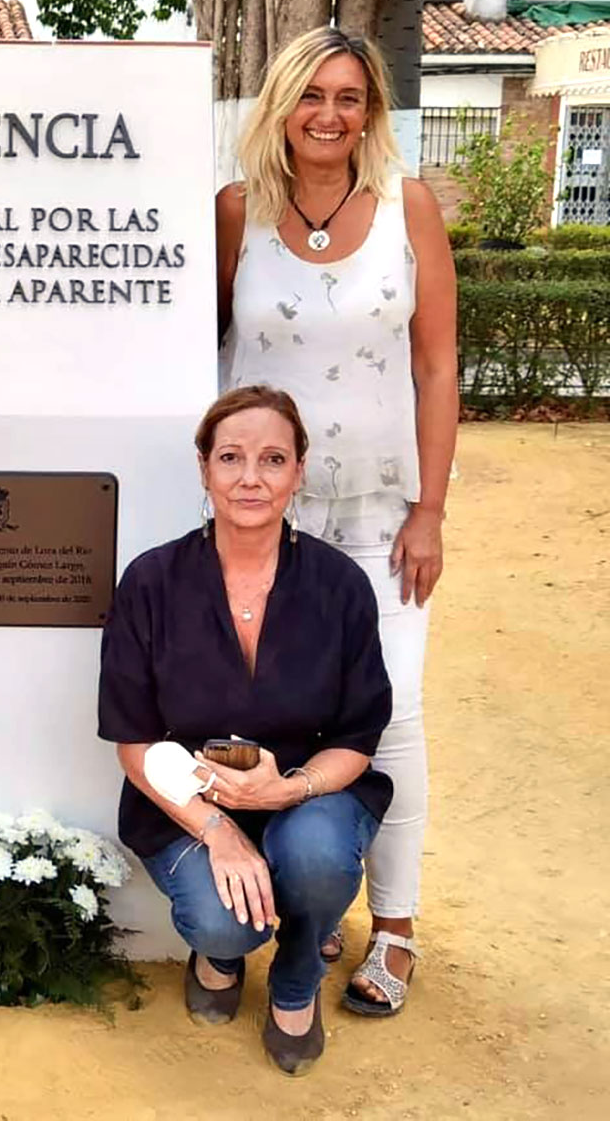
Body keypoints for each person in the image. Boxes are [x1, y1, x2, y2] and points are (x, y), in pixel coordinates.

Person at [215, 26, 458, 1016]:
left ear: (372, 112)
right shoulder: (236, 214)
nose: (328, 114)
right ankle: (261, 911)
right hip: (260, 523)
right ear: (280, 104)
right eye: (312, 94)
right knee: (263, 714)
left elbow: (436, 365)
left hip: (376, 514)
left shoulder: (408, 209)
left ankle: (393, 924)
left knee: (389, 713)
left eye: (350, 97)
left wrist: (431, 508)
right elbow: (195, 360)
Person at [98, 386, 393, 1076]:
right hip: (186, 806)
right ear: (204, 468)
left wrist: (287, 792)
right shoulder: (151, 581)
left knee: (319, 860)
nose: (251, 477)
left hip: (311, 793)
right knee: (226, 918)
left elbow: (358, 738)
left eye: (272, 458)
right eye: (231, 457)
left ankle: (297, 971)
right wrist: (219, 829)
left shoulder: (340, 586)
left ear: (298, 470)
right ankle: (221, 953)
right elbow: (134, 741)